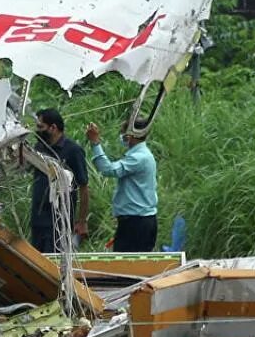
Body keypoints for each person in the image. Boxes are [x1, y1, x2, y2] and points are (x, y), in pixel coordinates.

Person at [85, 120, 158, 251]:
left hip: (137, 223)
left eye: (123, 133)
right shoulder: (141, 155)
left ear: (131, 135)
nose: (122, 136)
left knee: (130, 265)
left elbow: (108, 170)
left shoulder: (139, 158)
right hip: (136, 221)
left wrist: (95, 143)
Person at [28, 108, 89, 252]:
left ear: (53, 127)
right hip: (38, 220)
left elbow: (84, 187)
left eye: (41, 127)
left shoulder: (73, 151)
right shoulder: (39, 148)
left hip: (59, 221)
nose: (37, 131)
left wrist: (81, 221)